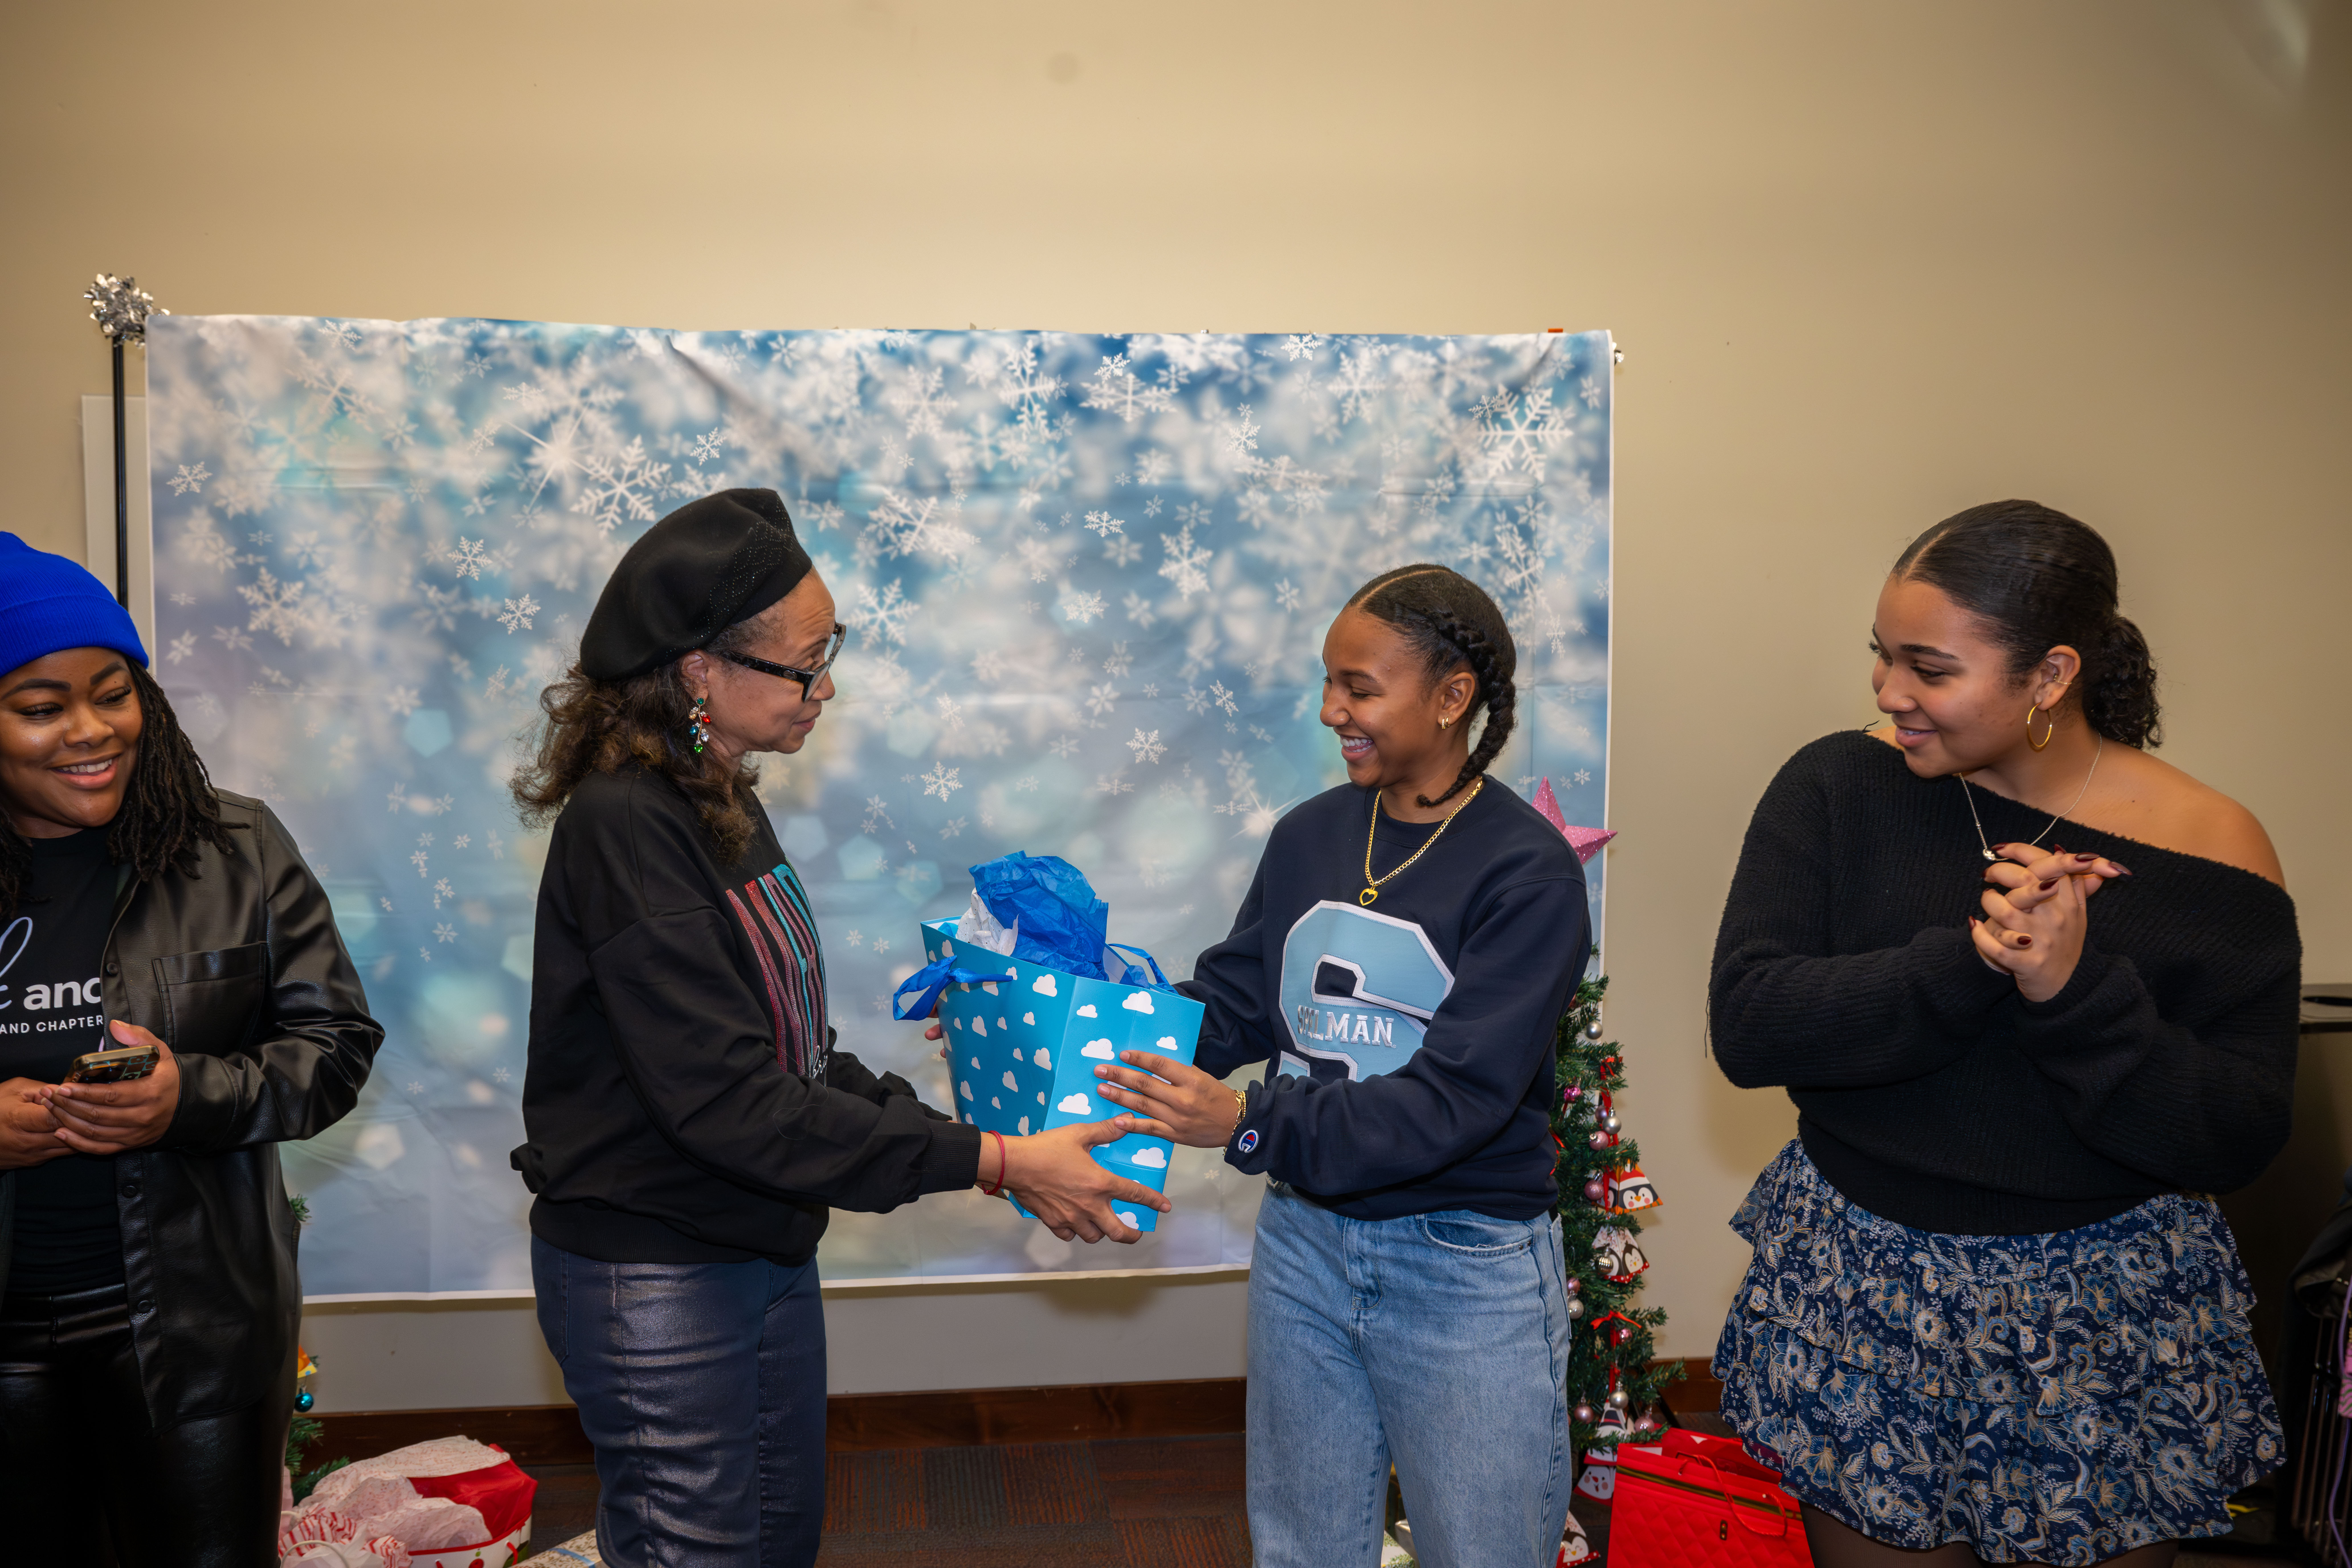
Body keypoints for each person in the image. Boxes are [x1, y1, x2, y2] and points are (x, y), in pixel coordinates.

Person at [509, 488, 1170, 1568]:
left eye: (834, 653)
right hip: (662, 1275)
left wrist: (973, 1123)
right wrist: (998, 1160)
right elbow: (731, 1104)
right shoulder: (627, 827)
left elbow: (795, 1055)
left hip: (758, 1248)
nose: (828, 687)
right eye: (806, 664)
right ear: (698, 670)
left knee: (777, 1544)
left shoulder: (718, 799)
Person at [1707, 500, 2298, 1568]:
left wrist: (2075, 994)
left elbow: (2238, 1132)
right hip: (1866, 1297)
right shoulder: (1841, 785)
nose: (1891, 696)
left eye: (1930, 669)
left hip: (2105, 1326)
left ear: (2052, 675)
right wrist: (1969, 961)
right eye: (1882, 659)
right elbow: (1753, 1026)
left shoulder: (2216, 849)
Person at [1085, 565, 1588, 1568]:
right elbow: (1231, 1003)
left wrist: (1247, 1122)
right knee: (1303, 1547)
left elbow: (1457, 1102)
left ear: (1453, 697)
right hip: (1304, 1245)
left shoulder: (1529, 872)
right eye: (1329, 684)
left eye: (1360, 688)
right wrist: (1060, 1021)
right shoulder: (1311, 833)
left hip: (1464, 1263)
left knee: (1483, 1550)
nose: (1332, 712)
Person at [0, 532, 383, 1566]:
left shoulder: (234, 849)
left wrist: (188, 1101)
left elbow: (335, 1046)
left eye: (112, 692)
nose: (92, 731)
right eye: (41, 708)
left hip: (192, 1338)